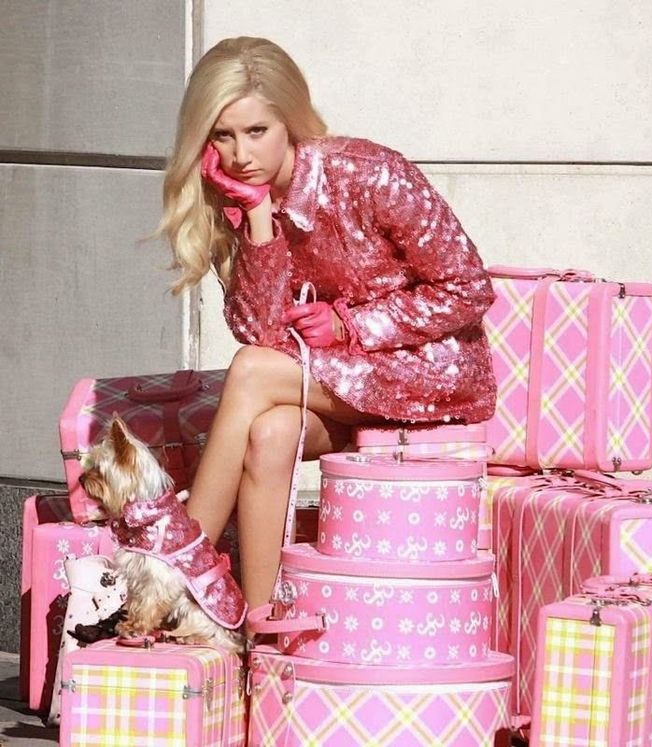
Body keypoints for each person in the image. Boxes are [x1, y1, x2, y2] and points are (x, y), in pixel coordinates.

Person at [157, 36, 496, 613]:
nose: (241, 153)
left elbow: (469, 288)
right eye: (223, 135)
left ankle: (180, 563)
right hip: (330, 384)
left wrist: (352, 323)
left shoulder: (368, 173)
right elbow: (262, 334)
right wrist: (258, 217)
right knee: (269, 434)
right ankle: (260, 625)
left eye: (257, 130)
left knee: (251, 372)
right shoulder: (236, 199)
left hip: (427, 372)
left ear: (288, 121)